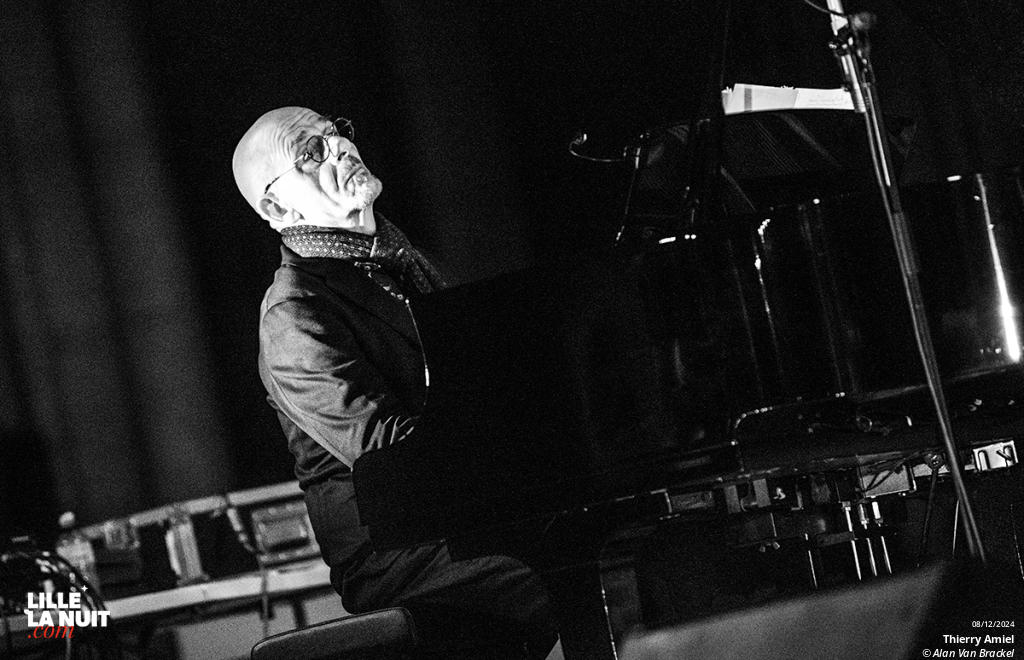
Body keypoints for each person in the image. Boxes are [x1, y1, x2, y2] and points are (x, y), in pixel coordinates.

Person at [232, 107, 557, 660]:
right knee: (589, 565)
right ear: (278, 207)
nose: (341, 147)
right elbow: (389, 453)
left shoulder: (400, 260)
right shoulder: (293, 312)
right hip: (398, 547)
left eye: (336, 132)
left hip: (470, 506)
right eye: (311, 152)